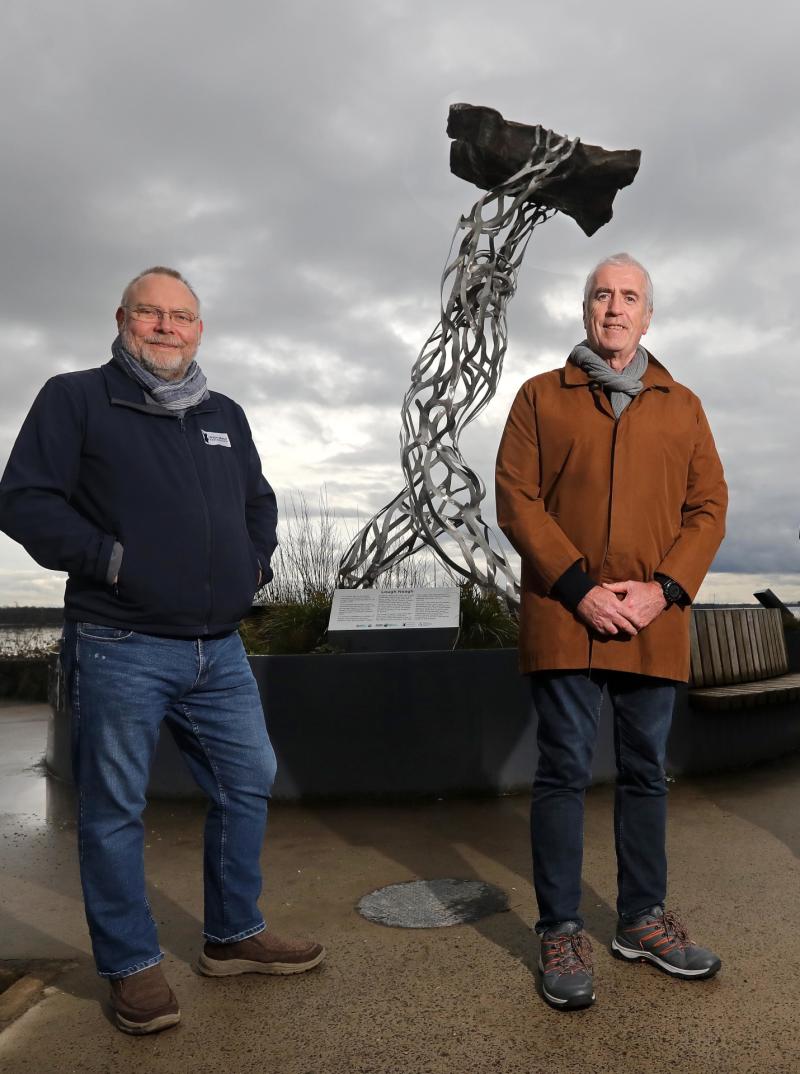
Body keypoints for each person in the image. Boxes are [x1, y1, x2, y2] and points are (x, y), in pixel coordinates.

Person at [0, 267, 325, 1034]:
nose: (166, 327)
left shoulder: (224, 414)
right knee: (114, 810)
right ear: (122, 319)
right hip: (121, 642)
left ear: (199, 329)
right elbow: (23, 499)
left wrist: (254, 567)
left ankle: (232, 933)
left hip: (220, 646)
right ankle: (131, 966)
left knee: (249, 781)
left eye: (181, 316)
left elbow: (259, 503)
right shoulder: (76, 398)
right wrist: (111, 561)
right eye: (151, 313)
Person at [495, 253, 727, 1010]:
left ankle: (641, 920)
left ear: (649, 316)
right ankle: (561, 925)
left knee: (643, 772)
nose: (615, 308)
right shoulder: (539, 397)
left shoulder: (682, 404)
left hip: (652, 624)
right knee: (562, 770)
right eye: (602, 295)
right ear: (586, 310)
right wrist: (579, 589)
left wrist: (662, 592)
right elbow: (516, 500)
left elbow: (708, 509)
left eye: (630, 297)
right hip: (567, 616)